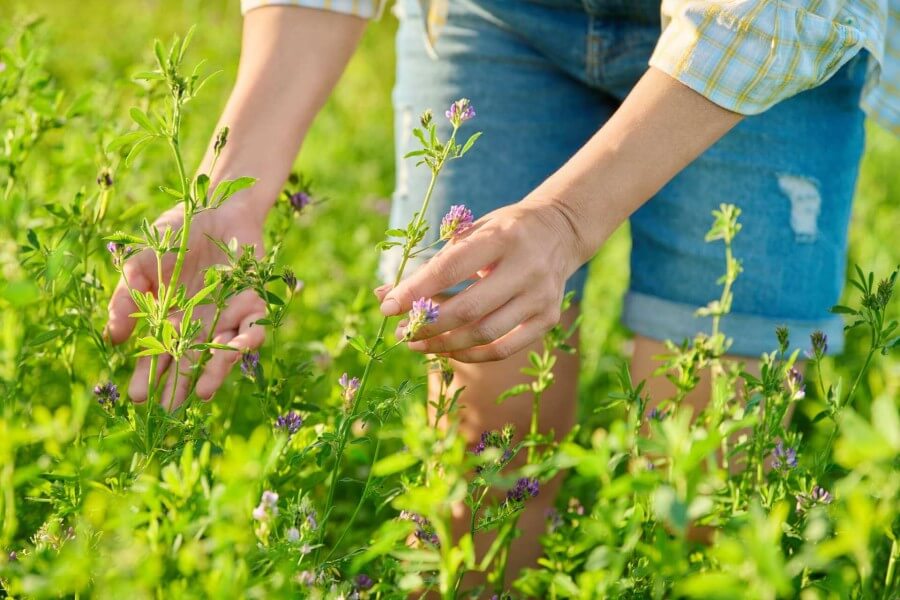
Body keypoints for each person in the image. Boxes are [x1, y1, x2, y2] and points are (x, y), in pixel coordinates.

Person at [105, 0, 898, 579]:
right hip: (502, 17)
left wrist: (563, 218)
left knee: (702, 482)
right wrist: (232, 193)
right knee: (482, 467)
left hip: (765, 32)